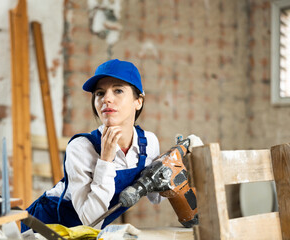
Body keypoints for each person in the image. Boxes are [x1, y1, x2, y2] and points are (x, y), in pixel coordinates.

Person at [21, 59, 201, 232]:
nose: (106, 99)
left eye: (118, 91)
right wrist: (105, 161)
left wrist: (181, 169)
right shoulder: (81, 148)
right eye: (100, 93)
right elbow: (90, 221)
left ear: (138, 101)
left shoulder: (148, 143)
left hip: (83, 234)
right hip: (45, 227)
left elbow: (155, 198)